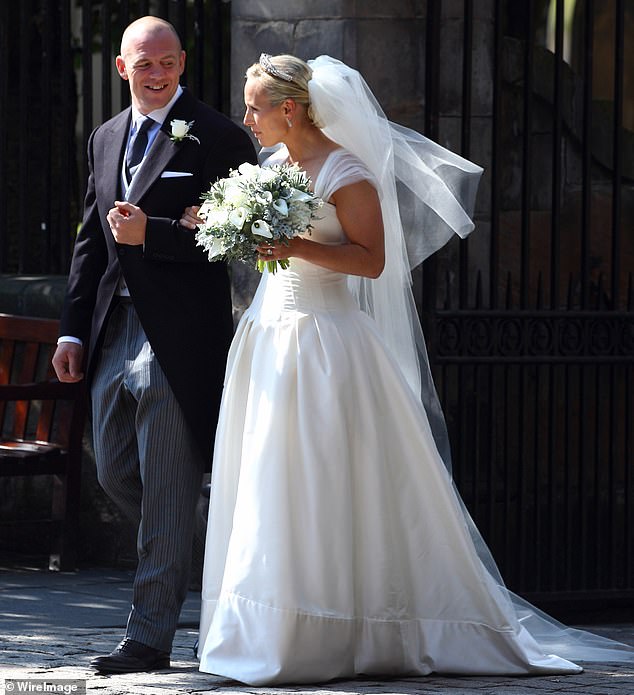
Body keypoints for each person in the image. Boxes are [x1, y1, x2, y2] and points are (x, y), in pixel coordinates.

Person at [181, 54, 634, 686]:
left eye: (255, 106)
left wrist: (293, 246)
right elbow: (261, 247)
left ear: (290, 109)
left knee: (326, 479)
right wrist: (224, 227)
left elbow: (371, 261)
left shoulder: (346, 170)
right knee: (268, 479)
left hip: (325, 343)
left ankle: (341, 632)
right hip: (269, 335)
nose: (247, 118)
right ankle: (269, 632)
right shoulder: (271, 168)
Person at [51, 16, 257, 675]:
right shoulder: (106, 136)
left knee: (166, 484)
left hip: (181, 335)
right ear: (122, 68)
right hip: (116, 334)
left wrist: (158, 234)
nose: (158, 72)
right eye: (145, 64)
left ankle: (149, 638)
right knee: (114, 469)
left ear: (183, 62)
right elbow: (92, 243)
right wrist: (72, 328)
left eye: (168, 62)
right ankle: (209, 538)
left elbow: (239, 241)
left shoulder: (221, 136)